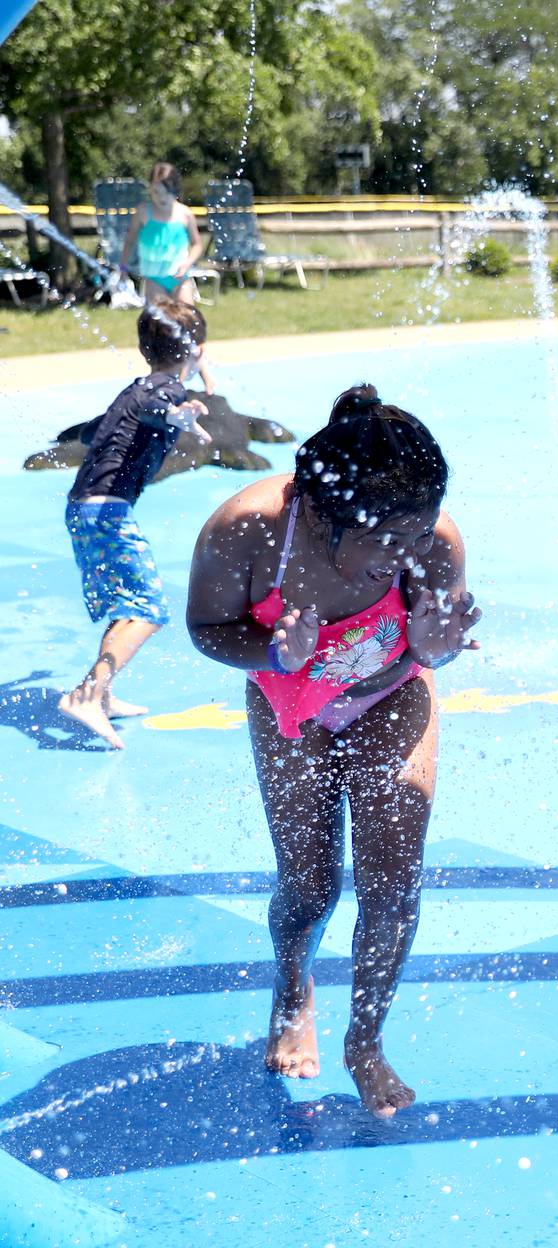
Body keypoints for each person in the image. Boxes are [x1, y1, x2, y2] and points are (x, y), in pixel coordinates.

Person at [186, 385, 482, 1117]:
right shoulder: (246, 532)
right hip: (291, 705)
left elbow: (432, 640)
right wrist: (274, 652)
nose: (405, 556)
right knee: (311, 884)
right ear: (317, 511)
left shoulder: (430, 540)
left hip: (391, 692)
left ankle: (367, 1042)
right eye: (387, 540)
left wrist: (434, 648)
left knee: (394, 884)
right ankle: (293, 987)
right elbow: (205, 626)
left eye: (417, 534)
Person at [58, 297, 211, 749]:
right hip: (107, 513)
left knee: (129, 602)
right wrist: (176, 414)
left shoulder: (137, 386)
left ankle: (101, 694)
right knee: (150, 609)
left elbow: (100, 429)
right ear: (196, 349)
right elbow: (156, 408)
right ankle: (86, 694)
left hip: (86, 509)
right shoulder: (165, 390)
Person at [118, 163, 217, 393]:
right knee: (157, 329)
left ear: (174, 190)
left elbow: (197, 244)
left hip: (180, 279)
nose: (160, 197)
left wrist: (187, 263)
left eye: (164, 192)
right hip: (154, 279)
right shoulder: (144, 212)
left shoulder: (184, 214)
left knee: (189, 328)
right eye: (155, 192)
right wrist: (123, 267)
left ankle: (204, 375)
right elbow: (130, 240)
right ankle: (158, 376)